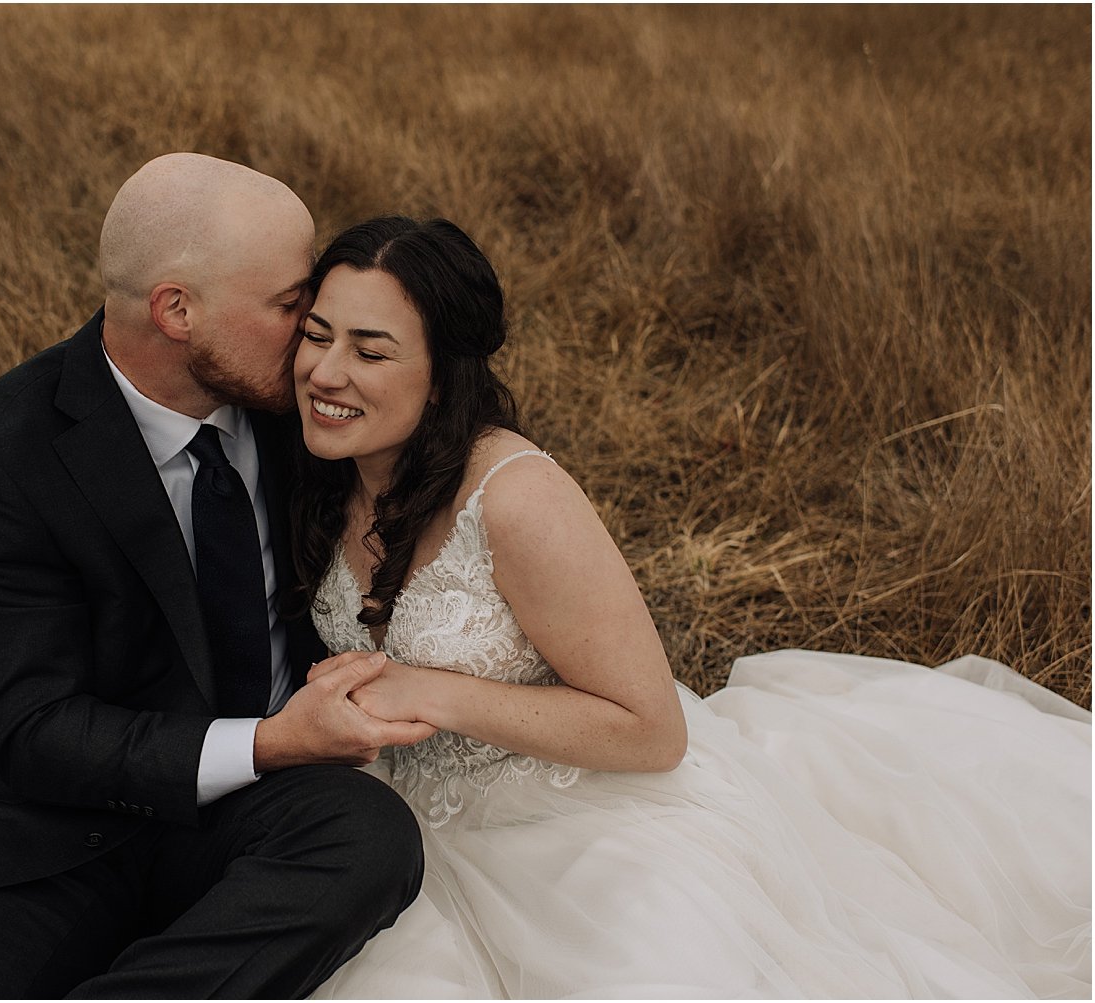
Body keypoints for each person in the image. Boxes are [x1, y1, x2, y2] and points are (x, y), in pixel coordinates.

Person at [288, 215, 1092, 999]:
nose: (326, 371)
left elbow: (651, 730)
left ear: (441, 379)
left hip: (576, 824)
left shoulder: (514, 497)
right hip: (406, 832)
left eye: (371, 351)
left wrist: (437, 692)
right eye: (317, 335)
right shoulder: (315, 468)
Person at [0, 156, 438, 999]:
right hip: (58, 824)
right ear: (176, 311)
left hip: (266, 814)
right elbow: (37, 729)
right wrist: (275, 740)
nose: (314, 332)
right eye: (288, 304)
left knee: (372, 838)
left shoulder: (313, 409)